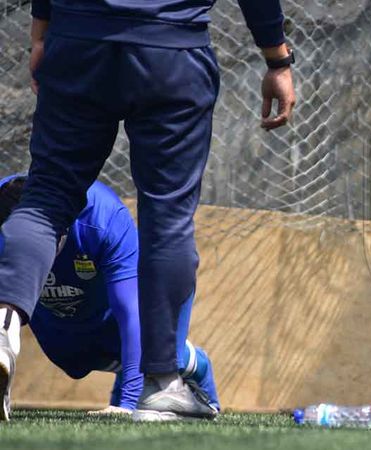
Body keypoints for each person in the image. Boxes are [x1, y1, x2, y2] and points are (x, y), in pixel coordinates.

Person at [0, 0, 294, 421]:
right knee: (167, 219)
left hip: (79, 39)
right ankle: (161, 384)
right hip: (171, 48)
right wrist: (277, 59)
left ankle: (3, 323)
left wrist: (40, 35)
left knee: (46, 195)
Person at [0, 175, 220, 415]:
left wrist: (127, 405)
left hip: (106, 306)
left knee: (149, 347)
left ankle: (190, 361)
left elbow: (130, 312)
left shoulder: (103, 218)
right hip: (53, 314)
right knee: (71, 359)